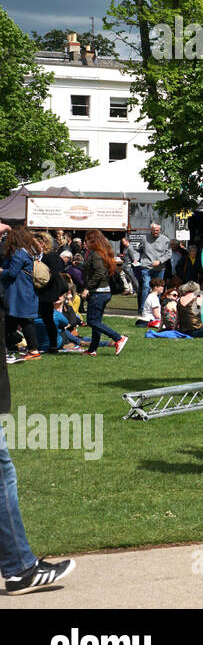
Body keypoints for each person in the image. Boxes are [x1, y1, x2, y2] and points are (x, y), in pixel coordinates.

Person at [0, 223, 77, 592]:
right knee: (3, 476)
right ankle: (18, 568)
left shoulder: (16, 254)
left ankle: (18, 566)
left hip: (21, 303)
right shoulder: (18, 255)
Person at [80, 230, 127, 356]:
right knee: (97, 322)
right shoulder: (100, 253)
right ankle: (92, 349)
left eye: (86, 240)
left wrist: (87, 288)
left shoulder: (96, 255)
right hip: (102, 292)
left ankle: (118, 338)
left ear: (93, 241)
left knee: (92, 321)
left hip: (98, 292)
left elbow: (100, 273)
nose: (85, 243)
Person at [1, 227, 42, 360]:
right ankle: (10, 347)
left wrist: (1, 271)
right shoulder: (29, 251)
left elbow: (12, 272)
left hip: (19, 293)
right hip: (24, 291)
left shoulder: (18, 253)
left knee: (24, 321)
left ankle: (33, 350)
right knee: (11, 321)